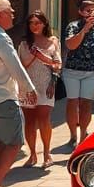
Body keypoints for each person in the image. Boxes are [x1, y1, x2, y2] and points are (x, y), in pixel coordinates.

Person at [0, 0, 37, 187]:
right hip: (2, 98)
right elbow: (14, 65)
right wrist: (29, 88)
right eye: (9, 11)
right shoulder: (0, 37)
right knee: (14, 143)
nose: (13, 13)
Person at [63, 0, 94, 146]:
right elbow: (71, 45)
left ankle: (83, 134)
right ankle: (73, 135)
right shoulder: (73, 26)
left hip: (92, 71)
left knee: (86, 103)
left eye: (93, 10)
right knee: (72, 102)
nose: (91, 13)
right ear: (80, 12)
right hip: (72, 70)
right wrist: (84, 29)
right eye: (87, 10)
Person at [18, 11, 62, 169]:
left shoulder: (53, 41)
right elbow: (21, 67)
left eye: (37, 22)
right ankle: (32, 154)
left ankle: (47, 153)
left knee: (44, 119)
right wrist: (33, 55)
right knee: (29, 121)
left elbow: (57, 64)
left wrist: (53, 81)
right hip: (27, 85)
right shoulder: (23, 44)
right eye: (31, 23)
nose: (34, 26)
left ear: (44, 24)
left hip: (46, 85)